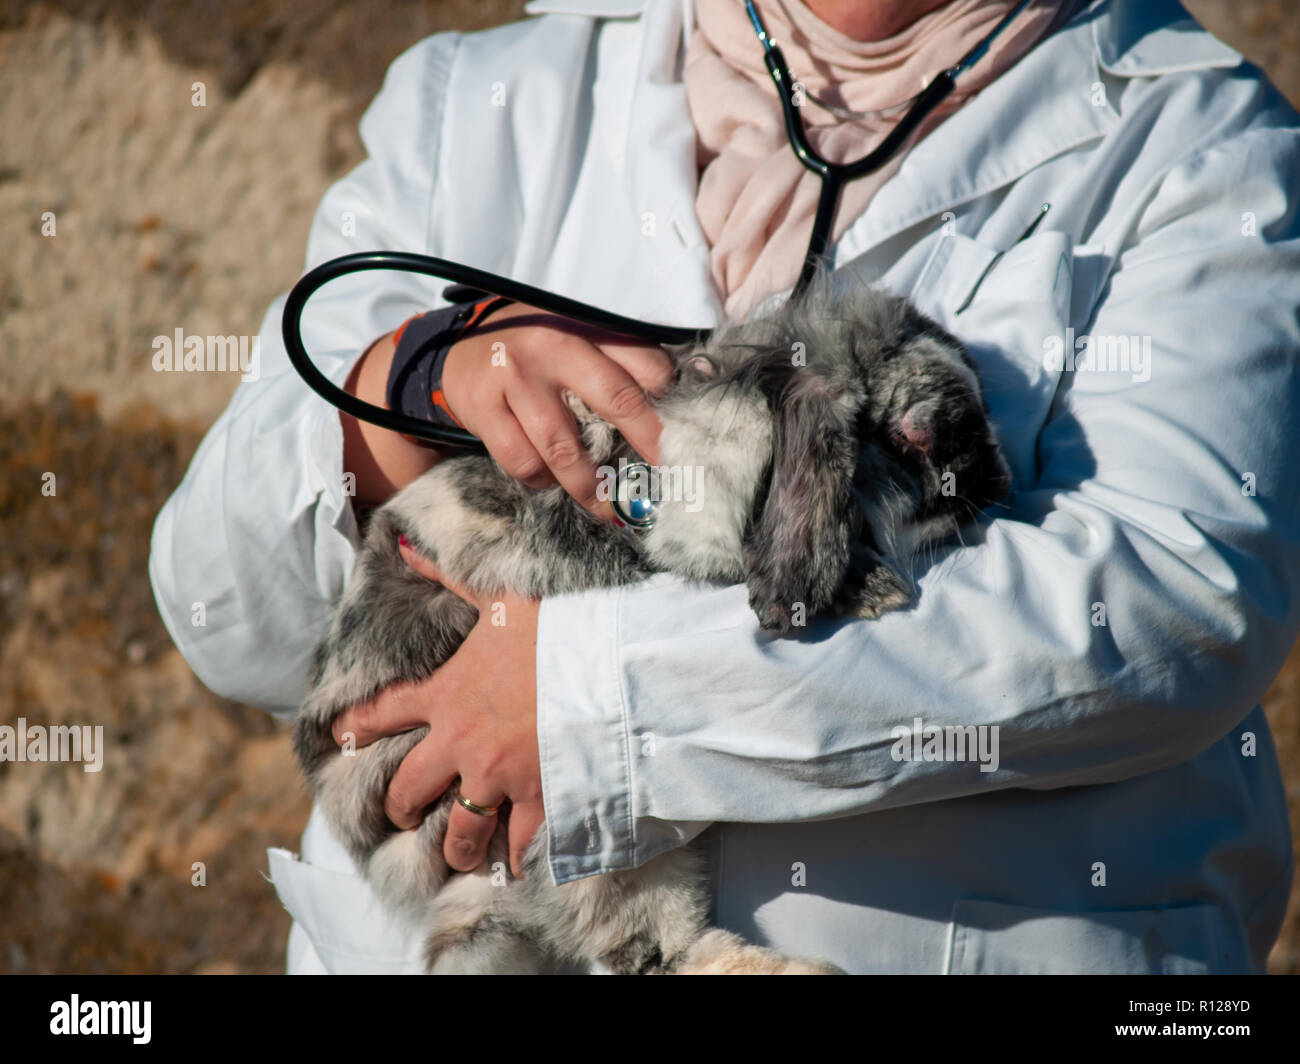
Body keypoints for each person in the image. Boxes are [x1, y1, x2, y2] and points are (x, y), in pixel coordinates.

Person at [149, 0, 1300, 974]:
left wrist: (591, 703)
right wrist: (394, 395)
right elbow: (220, 616)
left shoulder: (1200, 151)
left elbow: (1177, 597)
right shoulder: (479, 102)